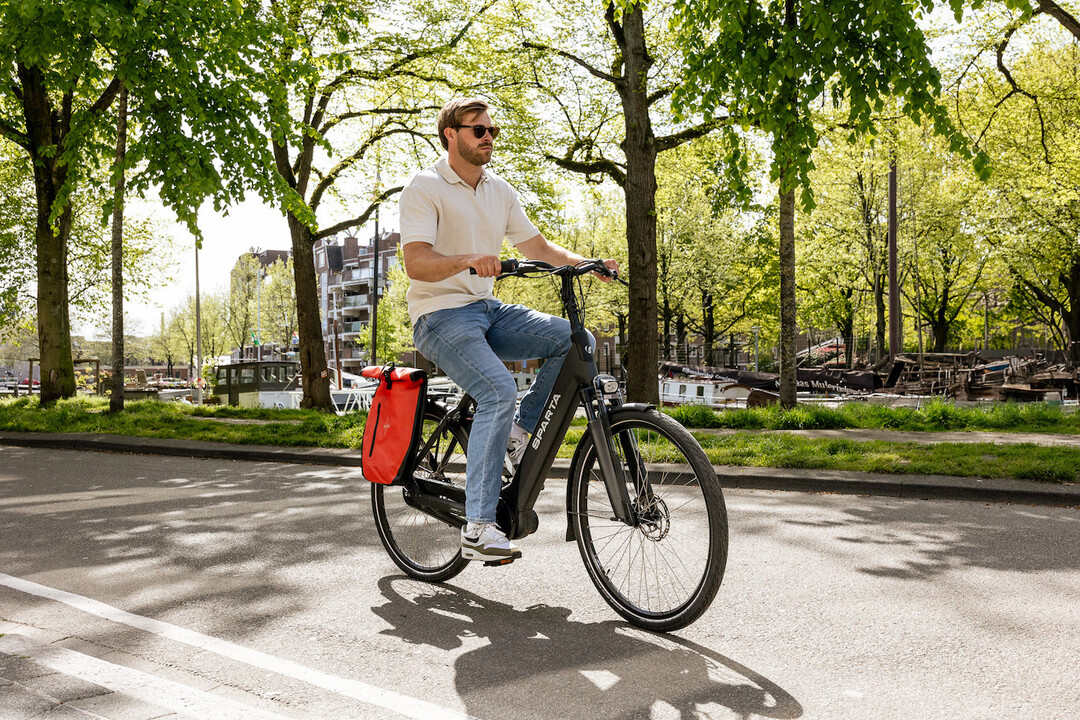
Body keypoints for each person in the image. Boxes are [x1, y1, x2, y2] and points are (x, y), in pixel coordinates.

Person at [399, 98, 616, 563]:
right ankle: (478, 528)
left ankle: (518, 434)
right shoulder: (425, 186)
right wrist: (468, 260)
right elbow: (415, 261)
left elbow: (537, 246)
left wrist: (588, 263)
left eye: (492, 130)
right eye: (478, 130)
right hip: (439, 314)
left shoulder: (499, 190)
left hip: (487, 309)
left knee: (574, 340)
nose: (488, 137)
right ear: (451, 134)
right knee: (498, 388)